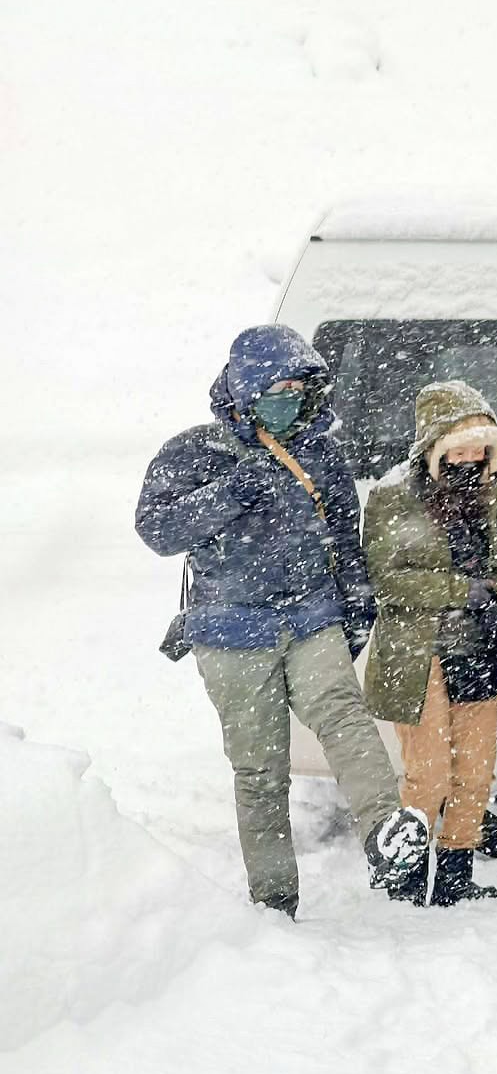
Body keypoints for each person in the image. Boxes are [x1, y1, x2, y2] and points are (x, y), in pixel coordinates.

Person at [134, 325, 429, 917]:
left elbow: (346, 536)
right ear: (245, 388)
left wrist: (356, 604)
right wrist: (228, 493)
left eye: (299, 387)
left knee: (346, 717)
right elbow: (157, 530)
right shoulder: (193, 452)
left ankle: (385, 831)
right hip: (229, 632)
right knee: (261, 770)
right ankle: (274, 900)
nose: (290, 397)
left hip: (311, 618)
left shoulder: (320, 452)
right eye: (276, 387)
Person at [361, 382, 497, 906]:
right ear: (432, 444)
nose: (471, 455)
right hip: (420, 652)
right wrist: (460, 590)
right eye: (460, 443)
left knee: (475, 773)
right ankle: (405, 877)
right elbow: (387, 580)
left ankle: (456, 876)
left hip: (481, 650)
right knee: (428, 775)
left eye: (481, 445)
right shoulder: (394, 495)